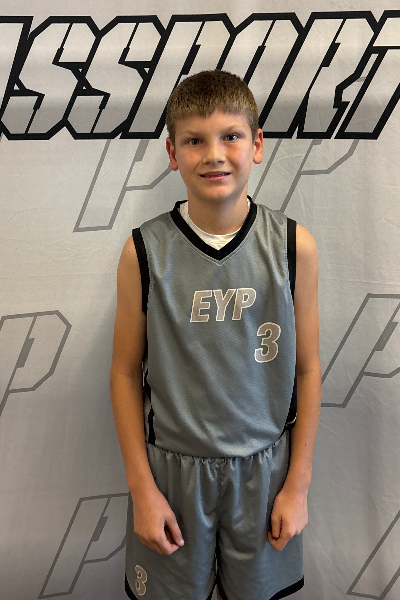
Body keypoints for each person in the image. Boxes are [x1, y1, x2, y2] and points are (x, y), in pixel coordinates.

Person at [110, 69, 321, 600]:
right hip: (173, 476)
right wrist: (142, 490)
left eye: (230, 136)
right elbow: (124, 373)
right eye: (194, 140)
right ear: (172, 152)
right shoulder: (144, 251)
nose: (214, 154)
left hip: (265, 473)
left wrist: (298, 484)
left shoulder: (294, 246)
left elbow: (308, 369)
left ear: (257, 145)